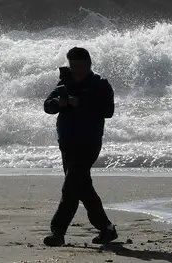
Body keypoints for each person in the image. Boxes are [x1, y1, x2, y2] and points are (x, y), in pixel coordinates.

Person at [42, 46, 118, 246]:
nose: (76, 70)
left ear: (88, 65)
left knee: (70, 187)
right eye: (72, 66)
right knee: (82, 188)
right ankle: (106, 228)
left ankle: (58, 232)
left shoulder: (100, 84)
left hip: (89, 143)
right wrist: (59, 103)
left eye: (79, 66)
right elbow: (47, 106)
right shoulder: (64, 83)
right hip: (67, 143)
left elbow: (108, 110)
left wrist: (80, 103)